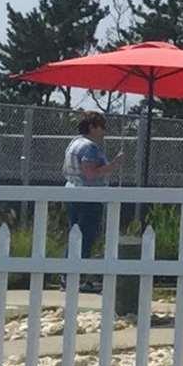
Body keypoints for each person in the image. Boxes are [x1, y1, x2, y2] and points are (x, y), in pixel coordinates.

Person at [61, 113, 116, 267]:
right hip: (89, 197)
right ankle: (76, 274)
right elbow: (90, 173)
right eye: (101, 127)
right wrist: (113, 166)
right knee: (86, 236)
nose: (104, 131)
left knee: (75, 234)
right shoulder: (90, 147)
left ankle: (66, 274)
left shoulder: (74, 143)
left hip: (72, 193)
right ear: (92, 127)